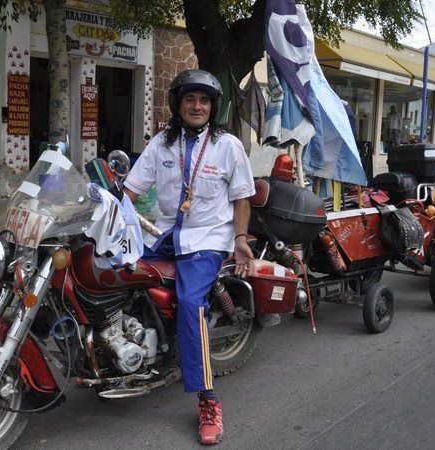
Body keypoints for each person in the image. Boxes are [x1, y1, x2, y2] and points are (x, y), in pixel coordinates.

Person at [122, 69, 256, 445]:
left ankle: (207, 400)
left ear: (213, 108)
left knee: (190, 303)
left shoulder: (227, 145)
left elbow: (242, 196)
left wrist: (240, 237)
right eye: (190, 99)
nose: (197, 106)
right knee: (116, 269)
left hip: (208, 239)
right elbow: (131, 191)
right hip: (168, 234)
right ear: (178, 105)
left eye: (204, 101)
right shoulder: (161, 144)